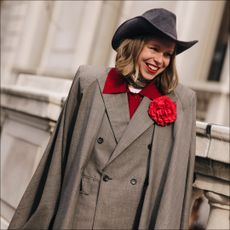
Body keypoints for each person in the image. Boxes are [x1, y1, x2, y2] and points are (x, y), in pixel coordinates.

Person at [9, 8, 198, 229]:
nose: (159, 60)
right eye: (154, 49)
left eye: (167, 54)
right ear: (136, 45)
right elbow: (58, 156)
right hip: (80, 213)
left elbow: (175, 181)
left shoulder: (180, 102)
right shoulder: (90, 82)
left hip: (131, 219)